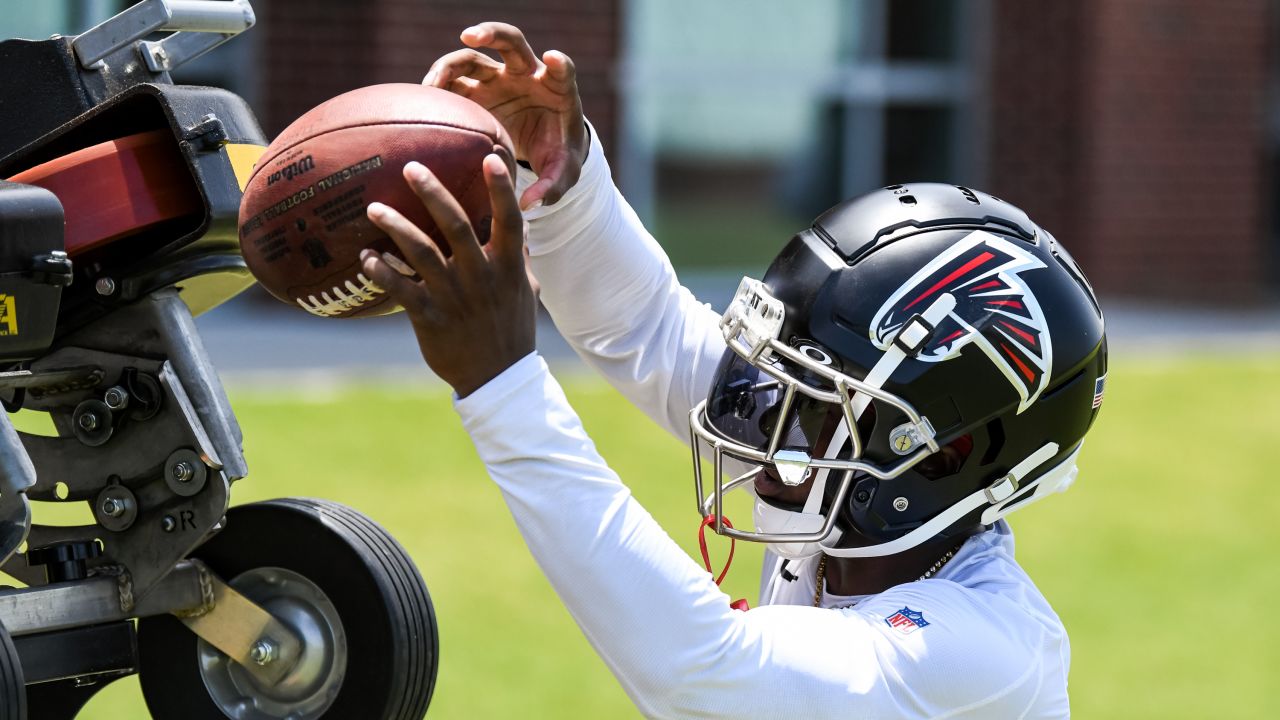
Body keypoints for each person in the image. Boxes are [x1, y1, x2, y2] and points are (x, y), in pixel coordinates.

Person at [359, 22, 1107, 719]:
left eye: (817, 397)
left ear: (943, 453)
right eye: (783, 372)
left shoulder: (990, 650)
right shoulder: (844, 509)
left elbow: (706, 674)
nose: (767, 411)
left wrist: (503, 386)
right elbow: (644, 325)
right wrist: (562, 178)